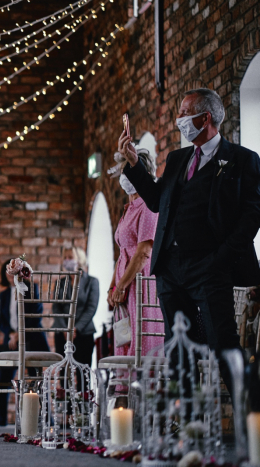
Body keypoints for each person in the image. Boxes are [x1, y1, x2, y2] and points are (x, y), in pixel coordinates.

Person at [119, 88, 260, 396]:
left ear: (204, 117)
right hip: (171, 269)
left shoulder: (242, 160)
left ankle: (252, 423)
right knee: (178, 350)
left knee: (223, 344)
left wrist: (219, 260)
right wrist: (134, 164)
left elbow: (251, 218)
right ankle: (187, 425)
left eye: (183, 113)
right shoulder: (177, 158)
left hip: (211, 268)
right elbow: (158, 202)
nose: (179, 118)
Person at [108, 149, 164, 360]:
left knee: (140, 340)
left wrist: (122, 285)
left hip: (140, 282)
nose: (125, 176)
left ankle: (143, 388)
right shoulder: (129, 208)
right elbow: (123, 253)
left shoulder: (148, 207)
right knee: (125, 337)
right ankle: (124, 387)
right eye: (123, 171)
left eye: (129, 169)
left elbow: (143, 252)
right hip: (125, 281)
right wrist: (113, 285)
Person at [0, 259, 48, 426]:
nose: (11, 276)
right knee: (4, 378)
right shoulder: (4, 295)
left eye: (14, 272)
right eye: (8, 272)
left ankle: (42, 417)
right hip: (11, 342)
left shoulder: (32, 289)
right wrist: (12, 335)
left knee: (35, 379)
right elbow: (2, 321)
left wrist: (20, 335)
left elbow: (36, 315)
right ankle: (1, 417)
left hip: (32, 339)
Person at [52, 247, 99, 366]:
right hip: (62, 333)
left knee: (83, 371)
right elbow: (56, 308)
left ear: (80, 260)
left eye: (70, 257)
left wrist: (75, 328)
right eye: (65, 258)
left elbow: (91, 308)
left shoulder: (92, 282)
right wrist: (65, 329)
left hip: (84, 332)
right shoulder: (60, 283)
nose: (67, 260)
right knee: (62, 371)